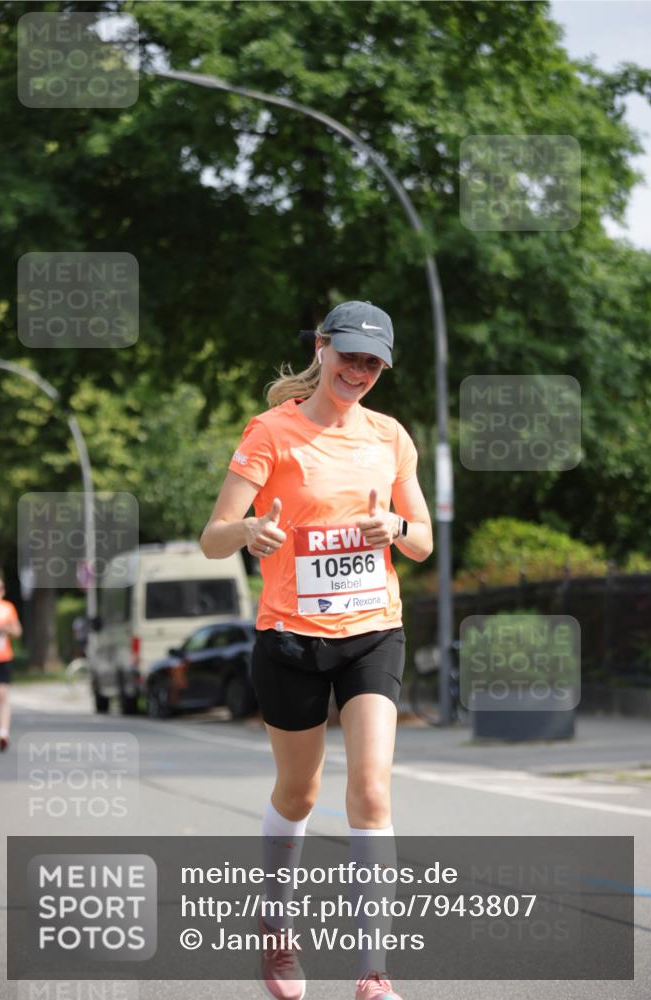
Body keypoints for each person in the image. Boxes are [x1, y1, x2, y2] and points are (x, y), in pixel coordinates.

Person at [200, 301, 433, 1000]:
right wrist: (250, 535)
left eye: (372, 363)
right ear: (322, 349)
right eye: (348, 356)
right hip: (290, 638)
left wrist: (391, 525)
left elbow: (421, 540)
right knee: (298, 794)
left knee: (370, 789)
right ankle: (276, 928)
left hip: (371, 630)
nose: (357, 371)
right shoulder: (271, 432)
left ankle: (372, 971)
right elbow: (214, 533)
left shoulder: (390, 438)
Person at [0, 575, 22, 752]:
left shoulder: (8, 608)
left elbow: (17, 631)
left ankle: (3, 732)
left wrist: (4, 628)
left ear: (3, 591)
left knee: (2, 694)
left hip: (3, 657)